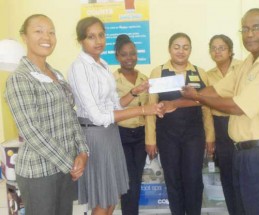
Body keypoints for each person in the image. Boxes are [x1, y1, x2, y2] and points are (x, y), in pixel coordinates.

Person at [181, 8, 259, 215]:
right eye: (245, 29)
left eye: (257, 28)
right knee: (242, 209)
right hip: (242, 154)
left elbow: (238, 107)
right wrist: (176, 103)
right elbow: (215, 91)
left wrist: (196, 96)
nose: (249, 34)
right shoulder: (247, 64)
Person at [67, 17, 163, 215]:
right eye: (91, 37)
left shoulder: (102, 64)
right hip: (95, 135)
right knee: (102, 200)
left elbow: (114, 104)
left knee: (113, 198)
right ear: (81, 41)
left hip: (111, 135)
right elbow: (98, 116)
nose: (98, 41)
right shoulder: (79, 67)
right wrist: (143, 110)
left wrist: (135, 92)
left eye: (101, 35)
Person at [5, 14, 89, 215]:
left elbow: (71, 116)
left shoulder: (57, 75)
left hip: (64, 169)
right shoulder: (19, 79)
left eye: (51, 32)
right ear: (24, 36)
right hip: (38, 172)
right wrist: (70, 163)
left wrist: (83, 151)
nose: (47, 37)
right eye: (39, 31)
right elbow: (32, 130)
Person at [146, 32, 215, 215]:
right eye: (177, 47)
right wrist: (150, 139)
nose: (181, 51)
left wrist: (210, 136)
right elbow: (151, 108)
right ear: (169, 49)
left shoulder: (199, 73)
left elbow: (206, 108)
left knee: (193, 178)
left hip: (194, 135)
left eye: (185, 47)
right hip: (167, 135)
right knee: (173, 179)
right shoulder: (158, 72)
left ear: (190, 50)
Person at [206, 34, 242, 215]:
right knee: (227, 176)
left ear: (230, 50)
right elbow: (206, 108)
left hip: (241, 123)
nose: (217, 51)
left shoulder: (243, 68)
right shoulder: (207, 75)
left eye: (221, 47)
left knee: (244, 175)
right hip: (219, 126)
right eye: (213, 48)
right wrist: (210, 137)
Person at [113, 34, 148, 215]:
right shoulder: (111, 80)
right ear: (117, 56)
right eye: (124, 54)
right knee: (128, 181)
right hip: (121, 135)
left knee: (137, 179)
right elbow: (112, 108)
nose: (129, 58)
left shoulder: (144, 78)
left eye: (133, 54)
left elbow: (149, 109)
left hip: (141, 135)